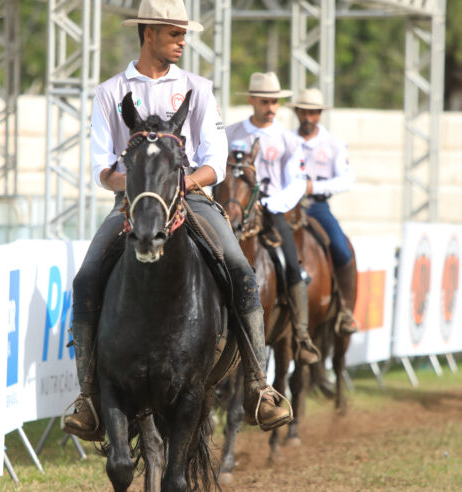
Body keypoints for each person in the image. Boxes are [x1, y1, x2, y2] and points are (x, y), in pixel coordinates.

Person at [61, 0, 292, 441]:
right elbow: (101, 167)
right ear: (149, 33)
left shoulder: (198, 88)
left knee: (241, 269)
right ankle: (88, 396)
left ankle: (260, 386)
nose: (182, 41)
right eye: (174, 34)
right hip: (130, 203)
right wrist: (139, 190)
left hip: (193, 199)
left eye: (184, 34)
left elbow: (216, 161)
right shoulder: (110, 92)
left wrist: (177, 188)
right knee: (86, 278)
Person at [226, 72, 322, 365]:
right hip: (233, 208)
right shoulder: (230, 133)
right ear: (252, 100)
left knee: (291, 263)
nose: (271, 106)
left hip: (271, 210)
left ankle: (302, 335)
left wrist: (271, 202)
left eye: (275, 101)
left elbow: (297, 181)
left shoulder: (288, 140)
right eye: (265, 100)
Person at [288, 88, 358, 336]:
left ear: (320, 115)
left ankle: (346, 310)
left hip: (316, 206)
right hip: (286, 205)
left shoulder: (334, 145)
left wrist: (313, 186)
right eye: (304, 112)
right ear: (297, 112)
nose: (308, 117)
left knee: (340, 247)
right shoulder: (286, 140)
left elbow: (347, 180)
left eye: (313, 113)